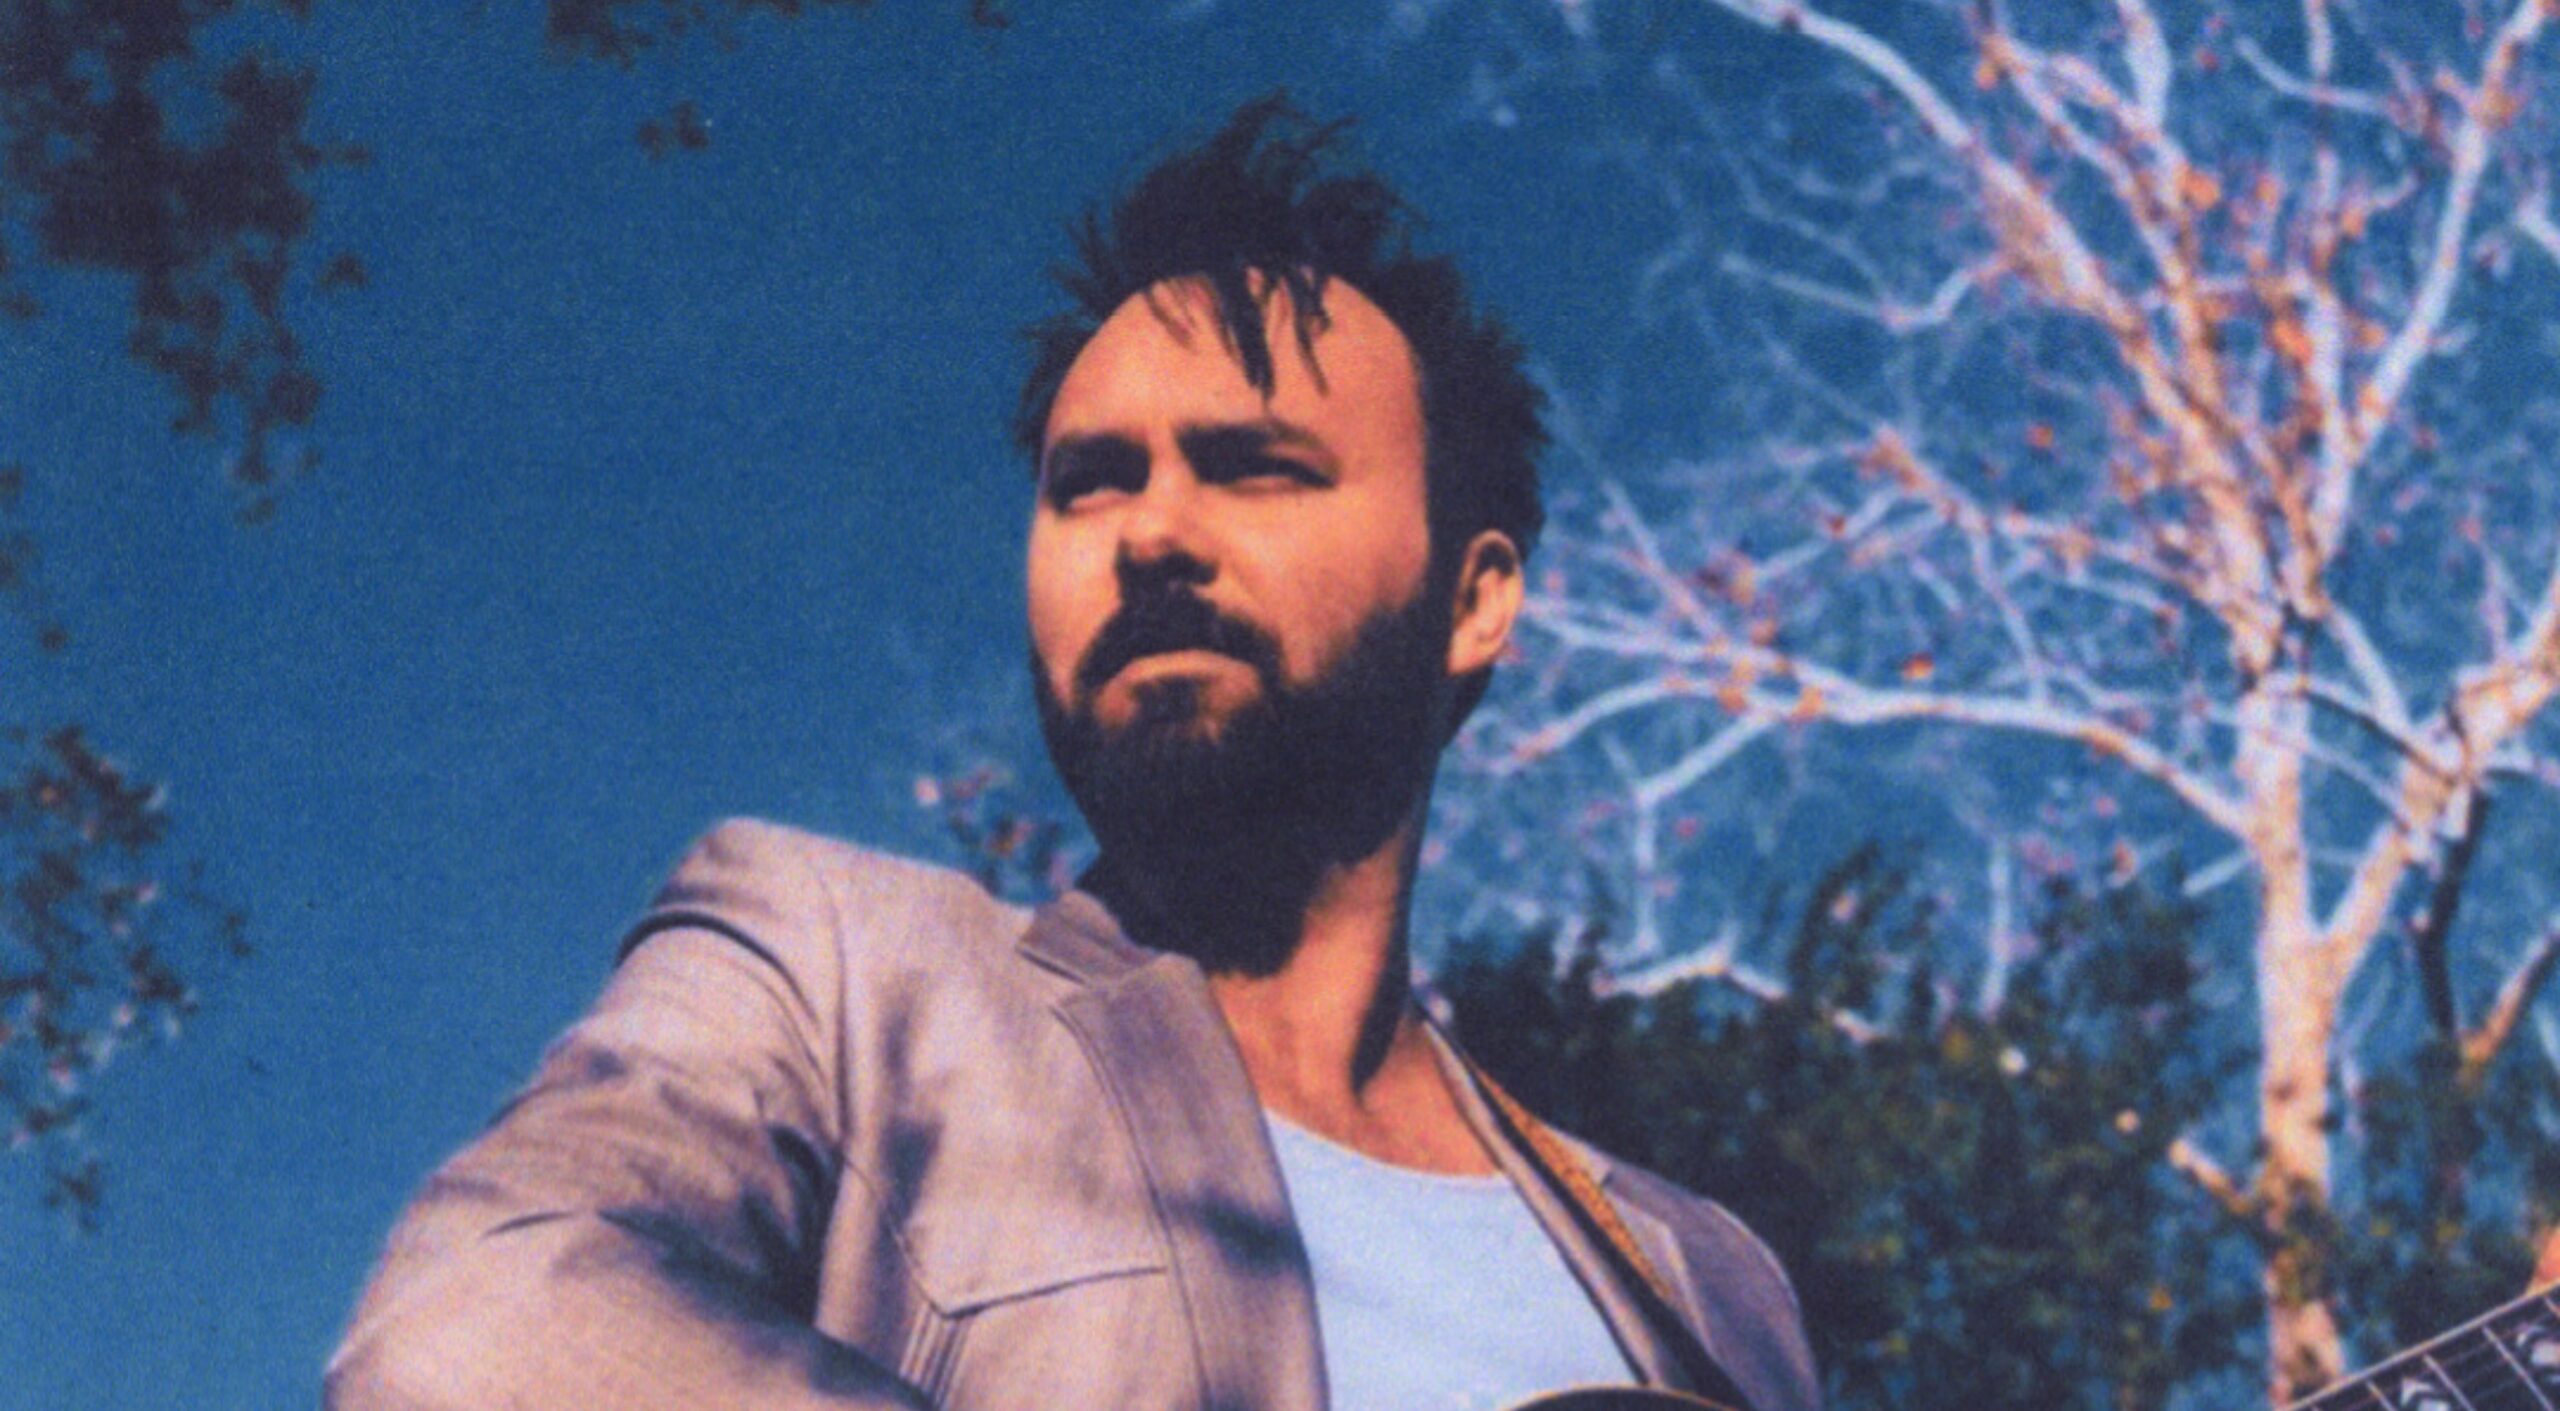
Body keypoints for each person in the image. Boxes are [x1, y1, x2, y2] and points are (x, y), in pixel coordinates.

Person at [325, 99, 1822, 1411]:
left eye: (1255, 466)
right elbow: (473, 1334)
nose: (1152, 533)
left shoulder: (1707, 1279)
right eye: (1090, 483)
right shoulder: (840, 980)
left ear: (1475, 600)